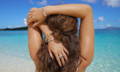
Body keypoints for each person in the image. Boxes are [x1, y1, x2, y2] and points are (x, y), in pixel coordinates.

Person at [27, 4, 94, 72]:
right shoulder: (81, 62)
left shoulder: (39, 58)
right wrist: (47, 10)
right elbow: (87, 10)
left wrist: (50, 36)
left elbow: (31, 17)